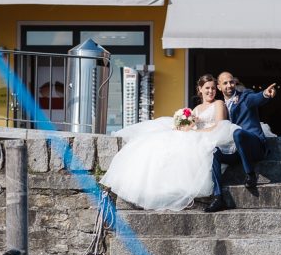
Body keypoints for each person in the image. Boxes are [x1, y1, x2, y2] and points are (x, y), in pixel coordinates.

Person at [100, 74, 239, 211]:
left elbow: (220, 126)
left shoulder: (218, 104)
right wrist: (186, 126)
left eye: (213, 88)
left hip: (211, 137)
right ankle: (156, 186)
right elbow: (193, 126)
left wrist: (194, 132)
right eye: (207, 88)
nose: (211, 91)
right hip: (197, 135)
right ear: (200, 89)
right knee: (159, 142)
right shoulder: (196, 109)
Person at [205, 72, 276, 213]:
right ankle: (218, 197)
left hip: (254, 146)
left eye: (231, 82)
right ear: (219, 87)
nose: (229, 85)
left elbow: (256, 99)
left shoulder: (245, 97)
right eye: (225, 83)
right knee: (214, 152)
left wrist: (265, 94)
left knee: (237, 133)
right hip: (236, 150)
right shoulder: (220, 106)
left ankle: (250, 174)